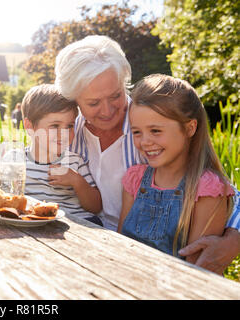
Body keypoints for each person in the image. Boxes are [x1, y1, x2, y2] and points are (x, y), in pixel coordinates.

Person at [54, 35, 240, 274]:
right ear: (74, 100)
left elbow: (221, 189)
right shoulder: (67, 133)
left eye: (115, 96)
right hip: (89, 252)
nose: (108, 110)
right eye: (93, 103)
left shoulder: (152, 122)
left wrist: (235, 237)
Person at [117, 74, 234, 271]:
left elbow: (198, 269)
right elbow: (120, 246)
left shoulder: (207, 188)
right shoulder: (135, 179)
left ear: (189, 128)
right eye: (137, 132)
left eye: (155, 131)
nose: (144, 142)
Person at [0, 84, 103, 225]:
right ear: (29, 126)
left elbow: (96, 207)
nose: (64, 134)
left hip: (76, 225)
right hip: (32, 226)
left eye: (69, 126)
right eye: (55, 126)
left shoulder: (73, 162)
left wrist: (77, 181)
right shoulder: (13, 160)